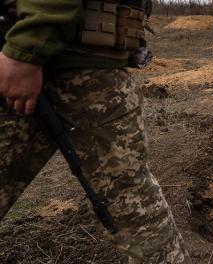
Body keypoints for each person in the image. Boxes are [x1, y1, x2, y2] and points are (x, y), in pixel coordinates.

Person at [0, 0, 192, 263]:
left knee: (133, 210)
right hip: (85, 64)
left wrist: (25, 48)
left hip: (61, 64)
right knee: (134, 209)